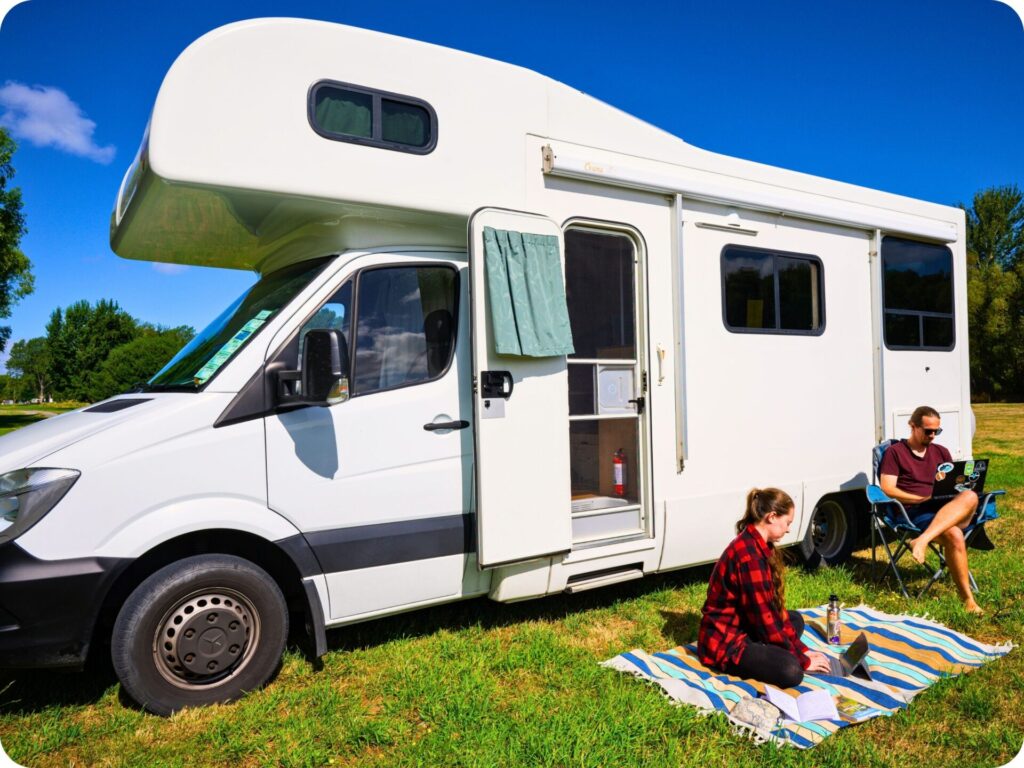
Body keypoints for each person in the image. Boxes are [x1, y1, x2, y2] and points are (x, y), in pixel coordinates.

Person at [698, 488, 831, 688]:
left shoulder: (758, 544)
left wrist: (802, 649)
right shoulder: (749, 557)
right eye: (787, 523)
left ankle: (767, 650)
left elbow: (772, 610)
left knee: (795, 619)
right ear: (772, 517)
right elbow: (765, 619)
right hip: (727, 643)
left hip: (747, 625)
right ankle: (765, 652)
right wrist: (803, 660)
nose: (788, 529)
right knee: (791, 670)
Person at [878, 405, 982, 613]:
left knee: (970, 495)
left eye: (937, 431)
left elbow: (953, 483)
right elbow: (887, 488)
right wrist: (919, 498)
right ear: (912, 426)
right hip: (916, 511)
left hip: (945, 507)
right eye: (928, 431)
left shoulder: (941, 452)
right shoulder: (895, 453)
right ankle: (968, 600)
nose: (933, 435)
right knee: (955, 535)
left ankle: (922, 540)